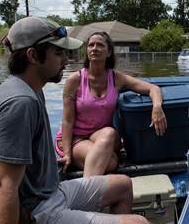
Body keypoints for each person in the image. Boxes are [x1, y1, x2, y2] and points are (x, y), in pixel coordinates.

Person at [0, 17, 153, 224]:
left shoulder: (31, 90)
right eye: (58, 52)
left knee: (123, 185)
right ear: (33, 55)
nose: (66, 58)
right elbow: (4, 186)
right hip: (34, 220)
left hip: (48, 195)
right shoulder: (18, 103)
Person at [55, 30, 167, 176]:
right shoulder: (74, 80)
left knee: (110, 133)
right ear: (87, 51)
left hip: (101, 136)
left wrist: (157, 107)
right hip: (75, 139)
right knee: (111, 162)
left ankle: (88, 189)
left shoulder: (116, 78)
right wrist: (68, 155)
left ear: (108, 52)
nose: (94, 48)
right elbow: (67, 121)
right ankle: (87, 194)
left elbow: (153, 88)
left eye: (100, 45)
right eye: (91, 45)